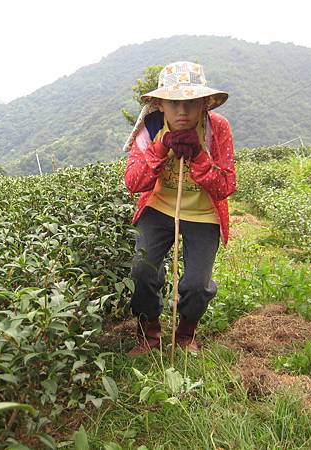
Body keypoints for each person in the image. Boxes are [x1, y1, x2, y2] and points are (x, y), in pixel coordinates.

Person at [123, 61, 236, 356]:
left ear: (203, 104)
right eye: (174, 103)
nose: (182, 112)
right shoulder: (149, 130)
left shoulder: (217, 128)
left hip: (203, 214)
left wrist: (199, 155)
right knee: (142, 270)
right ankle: (150, 332)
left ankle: (186, 332)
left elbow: (226, 185)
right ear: (160, 104)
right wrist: (162, 147)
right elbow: (134, 182)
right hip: (159, 207)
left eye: (190, 103)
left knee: (197, 284)